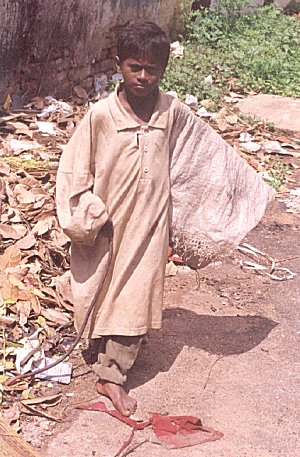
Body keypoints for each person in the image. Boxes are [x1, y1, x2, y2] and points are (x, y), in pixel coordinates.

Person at [56, 21, 273, 417]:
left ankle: (111, 376)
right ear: (119, 64)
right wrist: (87, 216)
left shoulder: (172, 112)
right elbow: (73, 171)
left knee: (135, 294)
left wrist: (250, 191)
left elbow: (205, 155)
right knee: (100, 288)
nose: (143, 76)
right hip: (106, 225)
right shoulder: (100, 116)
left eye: (152, 69)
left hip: (150, 224)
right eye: (134, 67)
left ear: (164, 69)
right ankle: (101, 345)